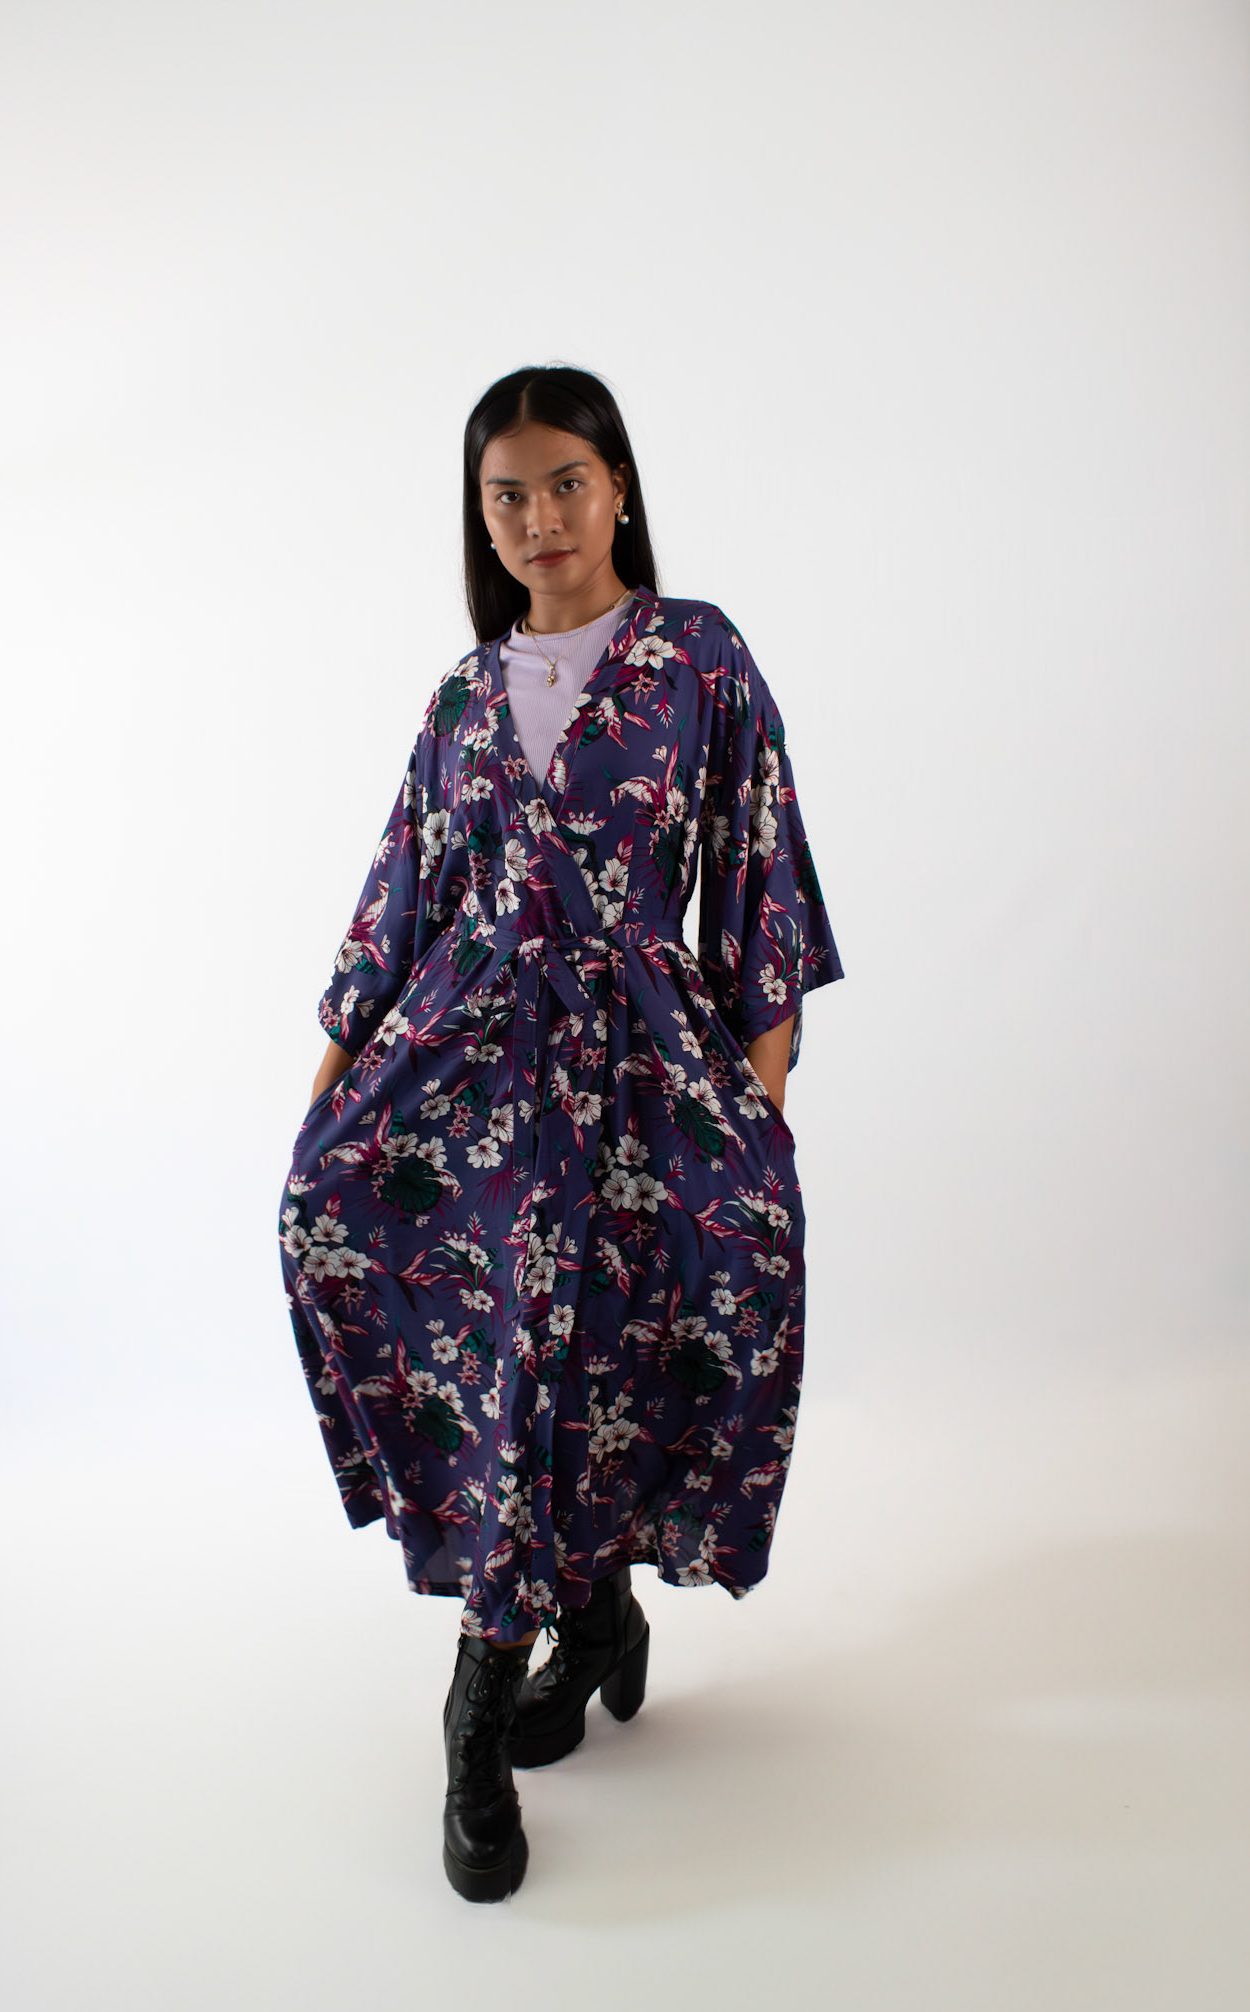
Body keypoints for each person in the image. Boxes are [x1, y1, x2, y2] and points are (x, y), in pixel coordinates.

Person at [278, 364, 845, 1902]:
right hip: (471, 1074)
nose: (539, 518)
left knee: (589, 1360)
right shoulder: (462, 699)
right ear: (481, 517)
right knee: (507, 1357)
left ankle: (524, 1672)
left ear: (619, 488)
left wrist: (750, 1121)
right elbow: (400, 896)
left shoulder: (696, 659)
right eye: (507, 493)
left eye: (566, 482)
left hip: (641, 1074)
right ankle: (555, 1646)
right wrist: (327, 1091)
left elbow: (759, 887)